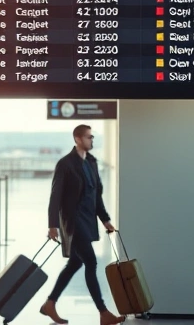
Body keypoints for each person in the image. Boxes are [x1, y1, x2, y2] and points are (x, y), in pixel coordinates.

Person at [40, 124, 124, 325]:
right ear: (77, 139)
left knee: (75, 263)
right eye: (88, 137)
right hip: (74, 221)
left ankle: (50, 304)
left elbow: (97, 195)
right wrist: (53, 225)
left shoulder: (92, 162)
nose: (91, 140)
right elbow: (56, 197)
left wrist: (105, 220)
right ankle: (103, 312)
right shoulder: (65, 164)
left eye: (92, 137)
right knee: (91, 262)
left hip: (88, 220)